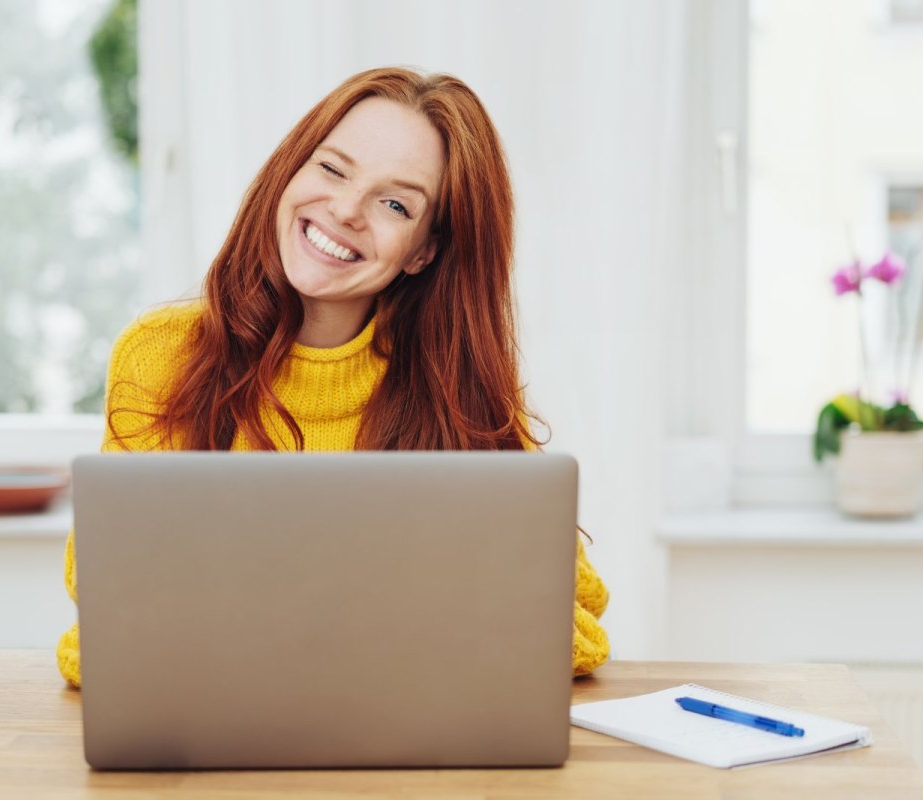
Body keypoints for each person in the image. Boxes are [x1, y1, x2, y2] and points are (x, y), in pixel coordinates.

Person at [56, 67, 609, 688]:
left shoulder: (456, 393)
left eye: (395, 204)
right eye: (332, 169)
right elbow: (106, 610)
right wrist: (404, 610)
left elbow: (573, 627)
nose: (345, 210)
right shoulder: (164, 355)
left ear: (424, 251)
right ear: (291, 171)